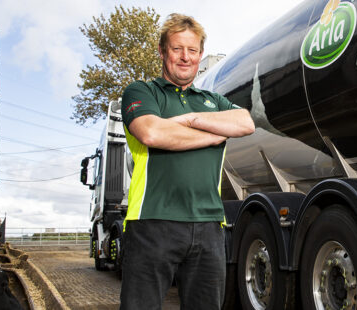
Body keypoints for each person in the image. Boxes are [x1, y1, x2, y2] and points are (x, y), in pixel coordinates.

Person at [118, 13, 255, 310]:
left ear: (200, 55)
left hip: (209, 225)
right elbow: (152, 132)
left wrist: (191, 119)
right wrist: (214, 134)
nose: (185, 57)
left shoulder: (212, 101)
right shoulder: (142, 92)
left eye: (192, 51)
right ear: (163, 51)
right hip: (152, 221)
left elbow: (245, 123)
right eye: (177, 49)